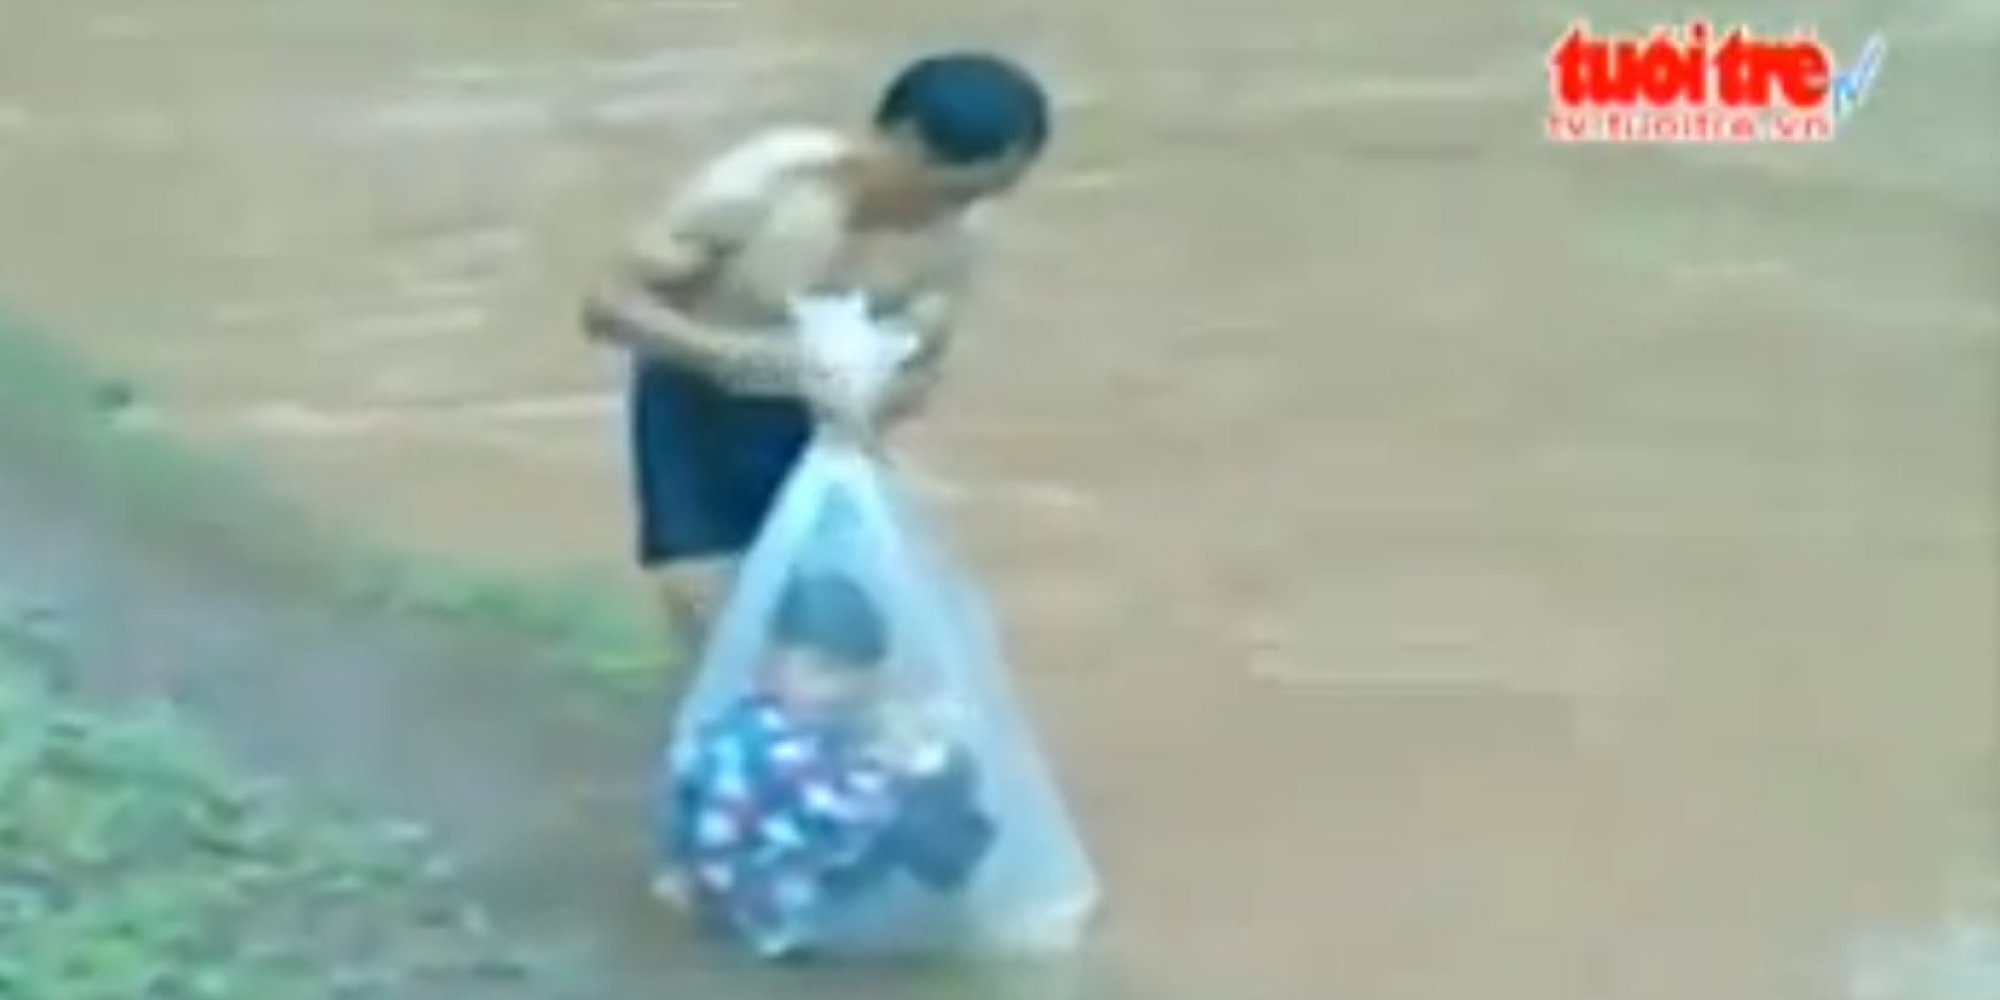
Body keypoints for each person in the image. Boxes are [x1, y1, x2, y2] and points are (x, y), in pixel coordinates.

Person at [581, 52, 1052, 698]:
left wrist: (877, 402)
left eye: (987, 195)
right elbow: (608, 305)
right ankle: (715, 754)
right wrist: (726, 355)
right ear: (903, 142)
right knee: (714, 626)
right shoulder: (760, 189)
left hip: (826, 435)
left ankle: (807, 762)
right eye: (955, 189)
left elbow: (921, 374)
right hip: (697, 408)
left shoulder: (950, 243)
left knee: (844, 646)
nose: (963, 210)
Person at [663, 572, 995, 959]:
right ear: (772, 662)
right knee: (938, 812)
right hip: (773, 915)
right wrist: (923, 764)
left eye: (855, 678)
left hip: (745, 886)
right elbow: (849, 815)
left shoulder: (749, 718)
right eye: (821, 670)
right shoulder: (766, 749)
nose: (839, 691)